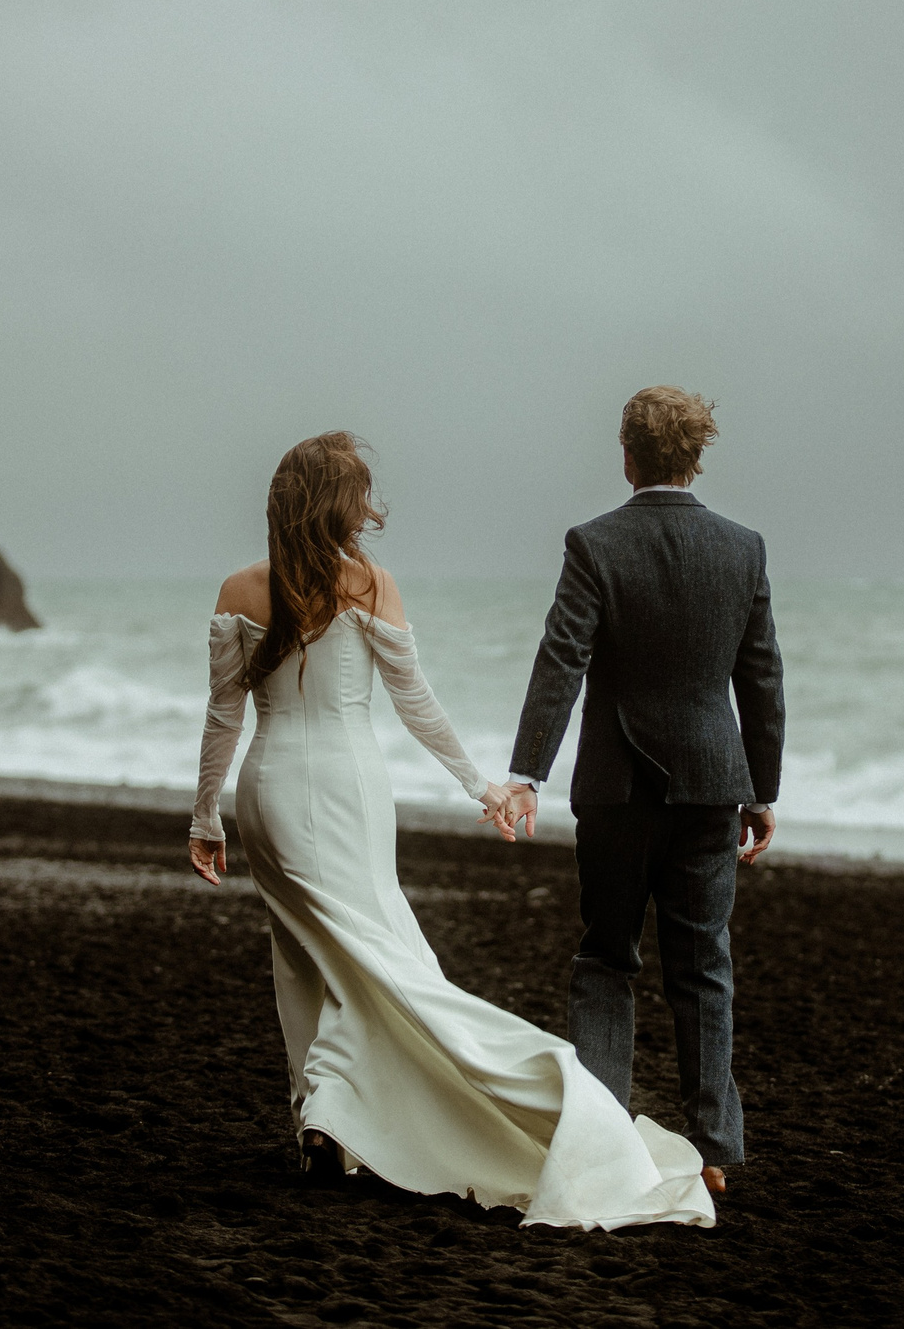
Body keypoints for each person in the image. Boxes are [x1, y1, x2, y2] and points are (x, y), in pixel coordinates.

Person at [188, 431, 714, 1231]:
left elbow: (224, 715)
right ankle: (339, 1112)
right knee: (376, 956)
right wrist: (482, 785)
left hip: (266, 792)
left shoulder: (238, 588)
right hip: (347, 788)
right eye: (359, 495)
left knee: (310, 956)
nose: (369, 509)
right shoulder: (368, 584)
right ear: (336, 505)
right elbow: (416, 703)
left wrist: (205, 813)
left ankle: (322, 1118)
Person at [498, 387, 784, 1199]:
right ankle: (714, 1147)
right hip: (712, 784)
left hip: (616, 787)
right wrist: (762, 788)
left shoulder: (594, 543)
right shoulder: (743, 548)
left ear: (627, 454)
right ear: (697, 455)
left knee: (605, 958)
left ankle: (599, 1142)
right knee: (703, 965)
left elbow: (562, 658)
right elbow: (761, 675)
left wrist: (527, 772)